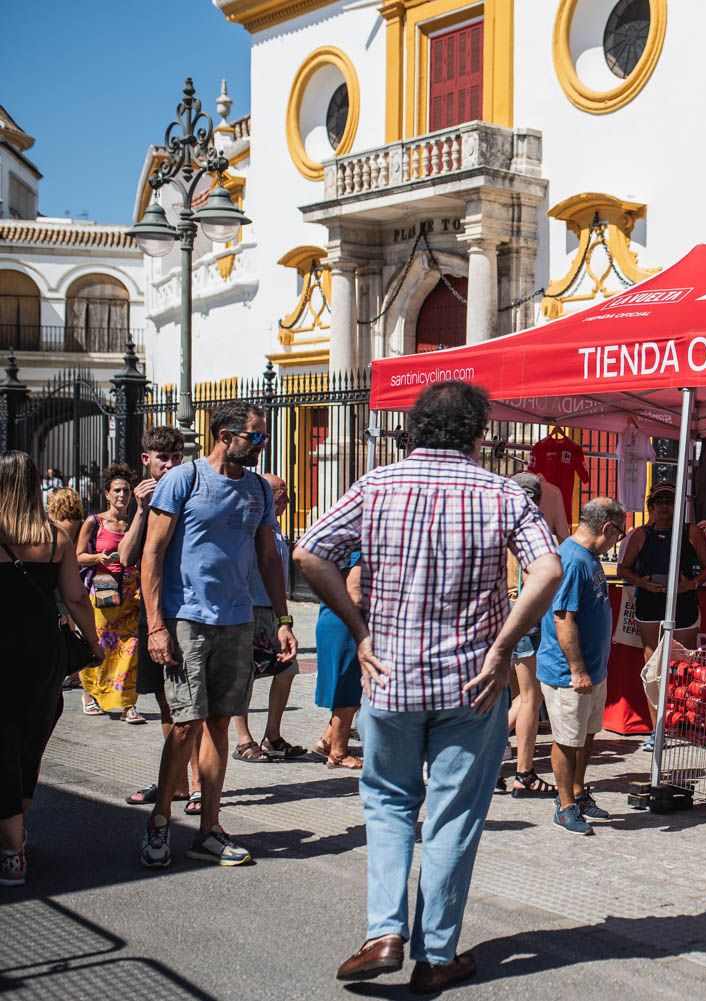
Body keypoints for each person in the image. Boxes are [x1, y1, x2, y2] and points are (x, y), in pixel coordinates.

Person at [295, 380, 562, 993]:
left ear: (413, 430)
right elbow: (547, 569)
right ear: (477, 434)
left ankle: (384, 931)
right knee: (453, 818)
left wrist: (359, 630)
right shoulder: (500, 494)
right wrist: (502, 647)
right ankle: (437, 952)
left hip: (391, 678)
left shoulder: (376, 486)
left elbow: (310, 553)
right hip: (473, 684)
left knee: (388, 802)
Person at [139, 401, 298, 870]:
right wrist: (155, 625)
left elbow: (268, 557)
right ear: (225, 434)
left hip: (238, 619)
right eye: (256, 437)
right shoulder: (182, 480)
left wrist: (284, 619)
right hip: (186, 618)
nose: (262, 445)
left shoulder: (257, 490)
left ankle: (209, 828)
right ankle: (161, 820)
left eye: (263, 437)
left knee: (221, 723)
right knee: (186, 723)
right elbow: (152, 553)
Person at [0, 450, 102, 887]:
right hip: (43, 654)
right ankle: (17, 833)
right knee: (30, 741)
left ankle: (11, 851)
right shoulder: (57, 536)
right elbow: (77, 598)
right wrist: (95, 647)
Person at [120, 426, 200, 812]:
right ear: (145, 460)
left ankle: (200, 785)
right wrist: (139, 510)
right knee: (167, 703)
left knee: (193, 705)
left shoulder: (189, 491)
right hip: (152, 610)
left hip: (185, 607)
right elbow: (126, 556)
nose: (169, 465)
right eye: (162, 458)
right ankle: (177, 784)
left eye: (176, 458)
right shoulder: (142, 499)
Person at [537, 497, 627, 836]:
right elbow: (563, 619)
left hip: (592, 669)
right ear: (606, 528)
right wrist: (577, 669)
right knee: (566, 738)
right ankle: (565, 804)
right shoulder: (573, 560)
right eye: (619, 533)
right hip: (569, 673)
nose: (618, 540)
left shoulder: (587, 557)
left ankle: (577, 791)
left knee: (586, 735)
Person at [618, 483, 706, 752]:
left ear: (678, 506)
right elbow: (623, 569)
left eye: (669, 501)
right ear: (650, 506)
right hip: (650, 603)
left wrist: (690, 584)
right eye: (658, 500)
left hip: (683, 604)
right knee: (653, 668)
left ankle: (683, 724)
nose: (664, 505)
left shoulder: (691, 532)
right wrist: (643, 583)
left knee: (683, 666)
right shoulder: (640, 534)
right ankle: (657, 729)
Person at [230, 474, 304, 763]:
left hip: (274, 611)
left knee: (288, 668)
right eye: (281, 492)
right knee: (244, 674)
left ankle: (272, 735)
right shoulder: (251, 527)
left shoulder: (275, 528)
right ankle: (243, 739)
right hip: (250, 609)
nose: (286, 498)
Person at [500, 471, 558, 798]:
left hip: (502, 615)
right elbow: (540, 574)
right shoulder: (529, 532)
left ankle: (493, 757)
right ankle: (523, 771)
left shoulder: (498, 527)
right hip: (525, 615)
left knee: (515, 696)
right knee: (529, 696)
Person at [76, 465, 146, 723]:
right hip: (105, 586)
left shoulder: (136, 521)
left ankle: (128, 704)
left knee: (132, 647)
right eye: (117, 490)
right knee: (103, 644)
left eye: (126, 490)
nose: (122, 495)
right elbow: (78, 556)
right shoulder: (94, 522)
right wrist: (99, 557)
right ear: (107, 494)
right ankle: (90, 693)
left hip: (132, 589)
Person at [314, 550, 364, 769]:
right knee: (349, 688)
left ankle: (327, 740)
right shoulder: (360, 552)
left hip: (334, 619)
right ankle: (339, 752)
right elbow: (356, 593)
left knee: (347, 685)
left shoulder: (340, 548)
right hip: (347, 624)